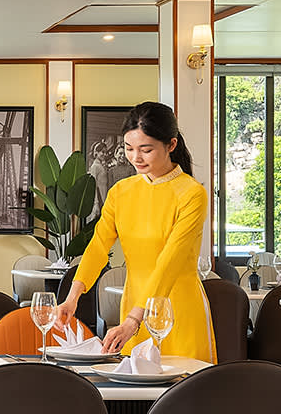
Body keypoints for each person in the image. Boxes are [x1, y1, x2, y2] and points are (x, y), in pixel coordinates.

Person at [70, 100, 212, 363]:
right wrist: (73, 296)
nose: (136, 157)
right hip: (133, 305)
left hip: (177, 308)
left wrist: (134, 320)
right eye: (129, 148)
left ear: (171, 145)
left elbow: (170, 260)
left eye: (146, 150)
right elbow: (98, 246)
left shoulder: (192, 194)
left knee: (183, 384)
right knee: (132, 385)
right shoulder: (121, 192)